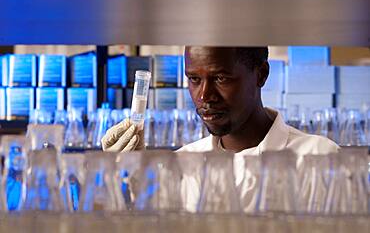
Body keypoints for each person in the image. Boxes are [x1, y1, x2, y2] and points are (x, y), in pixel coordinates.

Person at [102, 46, 338, 158]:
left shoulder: (319, 156)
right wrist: (133, 175)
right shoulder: (183, 164)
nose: (205, 96)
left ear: (261, 74)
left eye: (221, 78)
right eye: (194, 79)